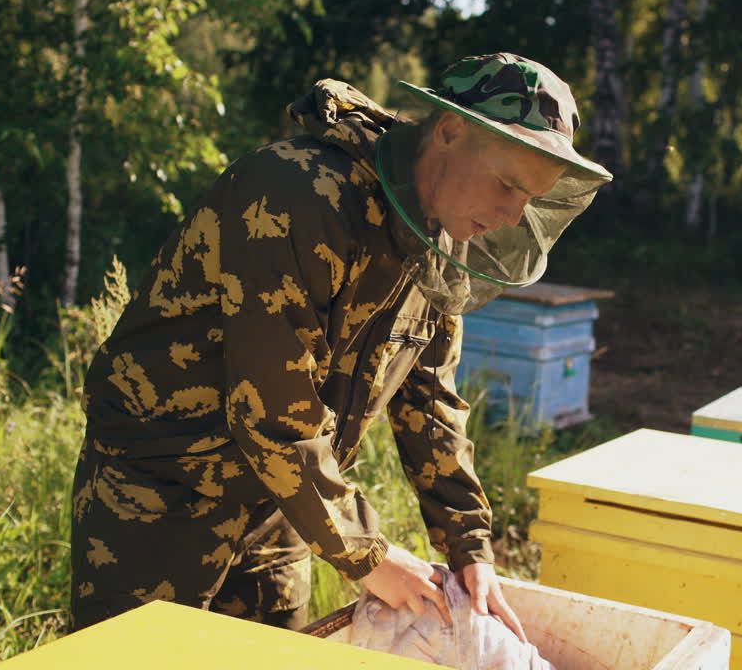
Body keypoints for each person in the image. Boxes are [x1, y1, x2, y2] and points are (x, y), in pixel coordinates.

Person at [69, 52, 612, 642]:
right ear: (450, 130)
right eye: (507, 184)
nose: (511, 216)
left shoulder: (438, 240)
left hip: (280, 504)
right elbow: (272, 413)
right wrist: (368, 553)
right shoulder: (298, 195)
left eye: (529, 199)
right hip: (161, 491)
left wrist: (469, 545)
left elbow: (430, 402)